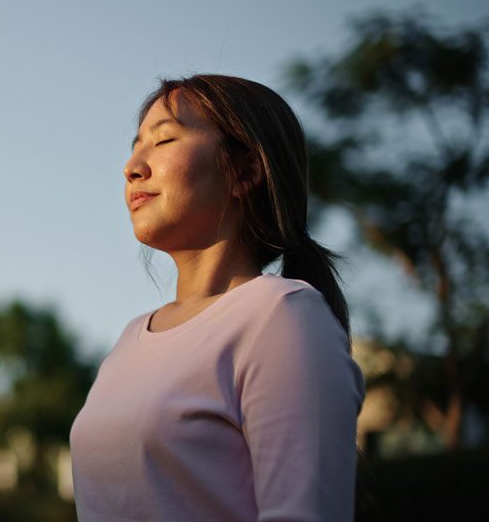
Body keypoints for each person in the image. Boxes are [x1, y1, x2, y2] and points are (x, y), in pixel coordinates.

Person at [69, 74, 366, 522]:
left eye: (164, 139)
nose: (131, 166)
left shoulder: (281, 315)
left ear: (243, 172)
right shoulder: (129, 340)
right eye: (136, 145)